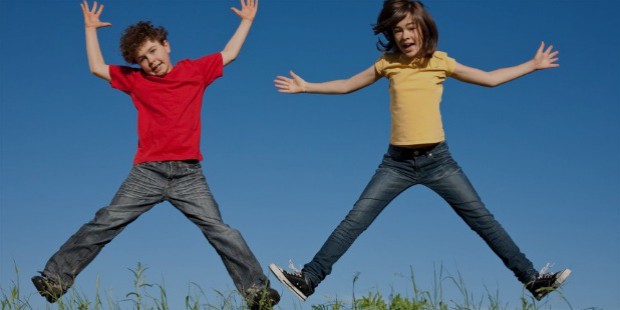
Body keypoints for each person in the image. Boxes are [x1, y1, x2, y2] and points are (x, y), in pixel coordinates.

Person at [269, 0, 570, 302]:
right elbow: (348, 84)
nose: (404, 35)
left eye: (411, 27)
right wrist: (307, 86)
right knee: (354, 221)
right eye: (397, 30)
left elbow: (490, 79)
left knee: (484, 221)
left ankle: (533, 280)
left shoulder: (440, 61)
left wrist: (532, 65)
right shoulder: (388, 63)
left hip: (439, 161)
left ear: (424, 29)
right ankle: (308, 279)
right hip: (396, 165)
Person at [31, 1, 279, 308]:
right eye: (141, 58)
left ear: (166, 45)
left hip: (189, 175)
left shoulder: (194, 71)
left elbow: (229, 54)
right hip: (146, 173)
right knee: (105, 221)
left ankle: (256, 292)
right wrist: (89, 30)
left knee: (221, 231)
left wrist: (247, 21)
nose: (149, 60)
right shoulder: (136, 81)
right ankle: (55, 279)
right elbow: (96, 67)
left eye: (152, 51)